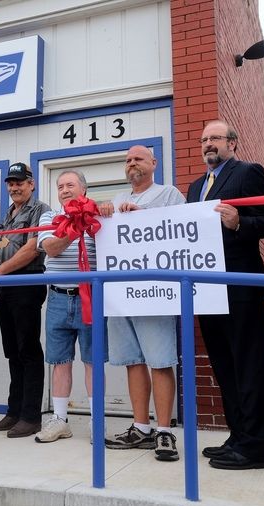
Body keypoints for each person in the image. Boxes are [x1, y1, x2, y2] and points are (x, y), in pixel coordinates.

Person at [186, 119, 264, 470]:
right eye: (204, 138)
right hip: (206, 289)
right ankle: (238, 434)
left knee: (249, 362)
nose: (209, 144)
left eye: (216, 138)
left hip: (239, 285)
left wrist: (239, 223)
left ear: (232, 143)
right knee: (224, 363)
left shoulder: (249, 172)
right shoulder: (195, 187)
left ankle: (255, 445)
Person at [98, 145, 185, 462]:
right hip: (122, 293)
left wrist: (144, 217)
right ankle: (141, 427)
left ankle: (164, 431)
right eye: (127, 160)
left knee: (160, 360)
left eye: (138, 158)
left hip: (153, 291)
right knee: (133, 360)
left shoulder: (169, 193)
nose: (132, 163)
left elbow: (181, 231)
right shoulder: (120, 200)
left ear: (154, 163)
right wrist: (106, 211)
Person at [34, 169, 105, 443]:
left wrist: (96, 215)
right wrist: (75, 228)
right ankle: (60, 420)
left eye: (70, 185)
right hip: (58, 298)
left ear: (83, 189)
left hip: (90, 295)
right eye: (60, 186)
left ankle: (97, 420)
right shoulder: (50, 217)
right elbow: (50, 248)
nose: (64, 189)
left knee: (92, 360)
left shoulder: (98, 214)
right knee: (59, 360)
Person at [0, 162, 50, 438]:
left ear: (31, 184)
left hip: (27, 283)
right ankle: (14, 412)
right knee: (12, 351)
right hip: (6, 288)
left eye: (20, 182)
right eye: (11, 183)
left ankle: (31, 416)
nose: (14, 187)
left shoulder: (40, 211)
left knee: (28, 350)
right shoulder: (7, 216)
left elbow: (32, 249)